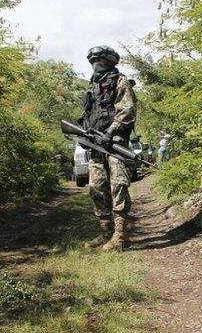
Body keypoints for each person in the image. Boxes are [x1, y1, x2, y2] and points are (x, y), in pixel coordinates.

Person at [79, 45, 136, 251]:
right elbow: (88, 115)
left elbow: (127, 110)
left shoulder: (120, 81)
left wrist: (110, 132)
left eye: (100, 61)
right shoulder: (92, 86)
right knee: (97, 188)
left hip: (115, 143)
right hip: (96, 145)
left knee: (118, 186)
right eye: (94, 61)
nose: (96, 65)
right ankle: (105, 232)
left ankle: (120, 236)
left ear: (110, 62)